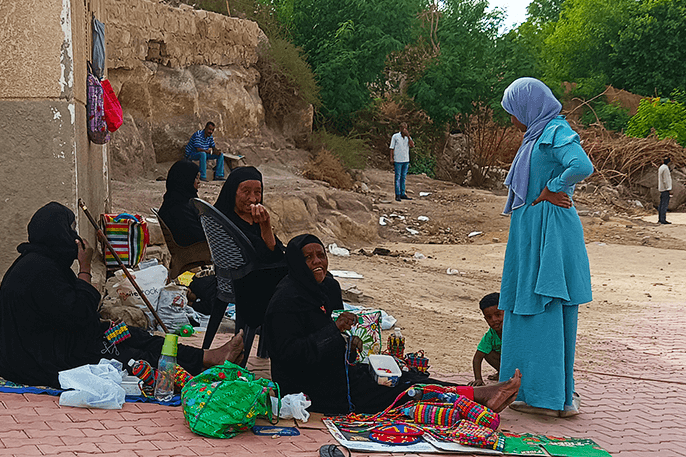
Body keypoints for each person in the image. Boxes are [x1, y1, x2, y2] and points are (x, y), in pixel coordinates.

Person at [0, 202, 243, 388]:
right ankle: (203, 364)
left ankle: (206, 357)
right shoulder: (40, 271)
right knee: (129, 353)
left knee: (132, 335)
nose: (74, 237)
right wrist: (85, 268)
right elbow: (80, 314)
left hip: (49, 343)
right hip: (41, 358)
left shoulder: (39, 262)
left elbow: (71, 315)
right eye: (70, 229)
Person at [266, 234, 521, 415]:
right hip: (307, 388)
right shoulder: (286, 300)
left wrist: (347, 342)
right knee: (401, 392)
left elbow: (330, 331)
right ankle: (477, 397)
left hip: (334, 372)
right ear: (297, 264)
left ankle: (474, 395)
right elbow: (288, 355)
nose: (317, 262)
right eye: (308, 258)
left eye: (321, 255)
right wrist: (333, 333)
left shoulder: (325, 287)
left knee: (405, 377)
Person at [499, 77, 593, 418]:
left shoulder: (554, 131)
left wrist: (552, 186)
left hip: (548, 230)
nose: (511, 118)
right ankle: (535, 390)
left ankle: (550, 396)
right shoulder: (535, 135)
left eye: (513, 110)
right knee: (528, 306)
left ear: (529, 106)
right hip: (531, 230)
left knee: (546, 305)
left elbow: (582, 165)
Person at [211, 166, 287, 364]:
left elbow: (274, 252)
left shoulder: (256, 219)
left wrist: (265, 225)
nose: (253, 198)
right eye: (245, 192)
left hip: (261, 273)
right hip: (247, 282)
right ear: (232, 192)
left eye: (257, 192)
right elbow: (267, 258)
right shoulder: (225, 221)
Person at [158, 160, 205, 246]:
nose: (199, 182)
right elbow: (199, 237)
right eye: (196, 178)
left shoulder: (175, 201)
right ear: (186, 180)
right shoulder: (179, 209)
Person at [470, 292, 503, 386]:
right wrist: (478, 379)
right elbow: (477, 358)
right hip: (503, 362)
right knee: (486, 352)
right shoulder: (490, 335)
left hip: (519, 365)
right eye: (489, 317)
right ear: (485, 319)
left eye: (498, 314)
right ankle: (501, 372)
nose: (494, 320)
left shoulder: (515, 331)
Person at [389, 123, 415, 201]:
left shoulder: (408, 138)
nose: (404, 130)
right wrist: (391, 158)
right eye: (403, 128)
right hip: (398, 160)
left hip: (406, 160)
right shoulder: (395, 136)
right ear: (400, 129)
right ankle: (397, 194)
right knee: (398, 177)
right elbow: (391, 148)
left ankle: (403, 193)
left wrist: (408, 136)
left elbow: (412, 145)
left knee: (403, 177)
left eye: (405, 128)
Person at [658, 156, 672, 225]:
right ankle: (663, 220)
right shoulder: (665, 169)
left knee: (661, 204)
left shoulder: (661, 168)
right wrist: (668, 188)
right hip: (665, 189)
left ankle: (660, 219)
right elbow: (666, 180)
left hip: (661, 188)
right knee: (664, 205)